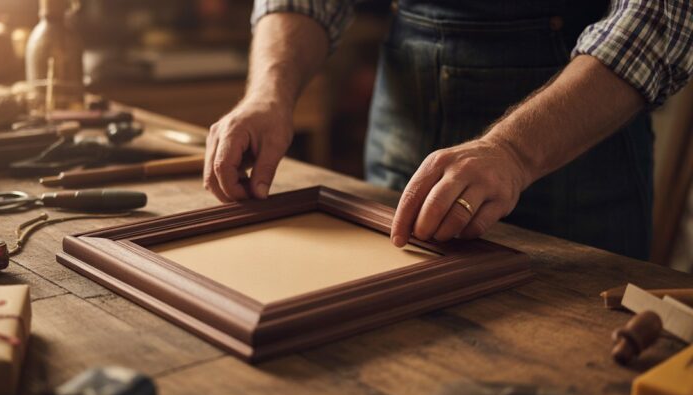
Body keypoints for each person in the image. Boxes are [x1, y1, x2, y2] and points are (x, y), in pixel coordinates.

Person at [203, 0, 693, 260]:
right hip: (402, 134)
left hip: (573, 160)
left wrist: (515, 152)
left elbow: (662, 16)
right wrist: (268, 92)